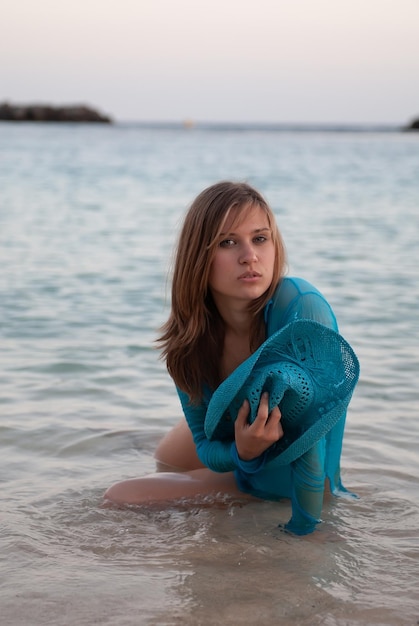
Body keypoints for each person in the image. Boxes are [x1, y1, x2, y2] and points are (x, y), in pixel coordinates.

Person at [104, 181, 357, 535]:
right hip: (245, 456)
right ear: (199, 256)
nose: (249, 256)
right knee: (165, 455)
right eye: (228, 242)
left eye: (260, 238)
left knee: (120, 495)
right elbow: (207, 445)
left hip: (281, 482)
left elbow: (310, 446)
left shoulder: (300, 306)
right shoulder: (189, 343)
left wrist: (304, 533)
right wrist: (241, 449)